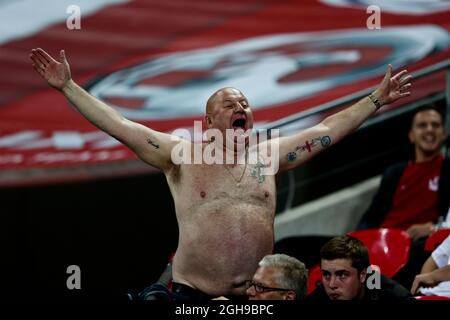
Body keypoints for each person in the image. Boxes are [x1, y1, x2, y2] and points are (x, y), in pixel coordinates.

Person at [29, 47, 412, 300]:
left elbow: (328, 131)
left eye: (244, 102)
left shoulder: (269, 155)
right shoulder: (180, 156)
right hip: (192, 294)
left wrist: (376, 99)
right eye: (230, 103)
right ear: (209, 121)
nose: (240, 105)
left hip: (256, 297)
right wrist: (69, 87)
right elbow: (119, 124)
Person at [357, 105, 449, 238]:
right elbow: (371, 217)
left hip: (420, 247)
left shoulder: (447, 169)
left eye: (435, 125)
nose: (429, 130)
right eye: (422, 125)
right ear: (411, 136)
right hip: (382, 243)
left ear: (443, 134)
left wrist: (436, 229)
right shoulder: (394, 173)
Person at [306, 235, 412, 301]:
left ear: (362, 275)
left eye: (342, 275)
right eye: (326, 274)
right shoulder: (321, 296)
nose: (332, 284)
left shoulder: (394, 297)